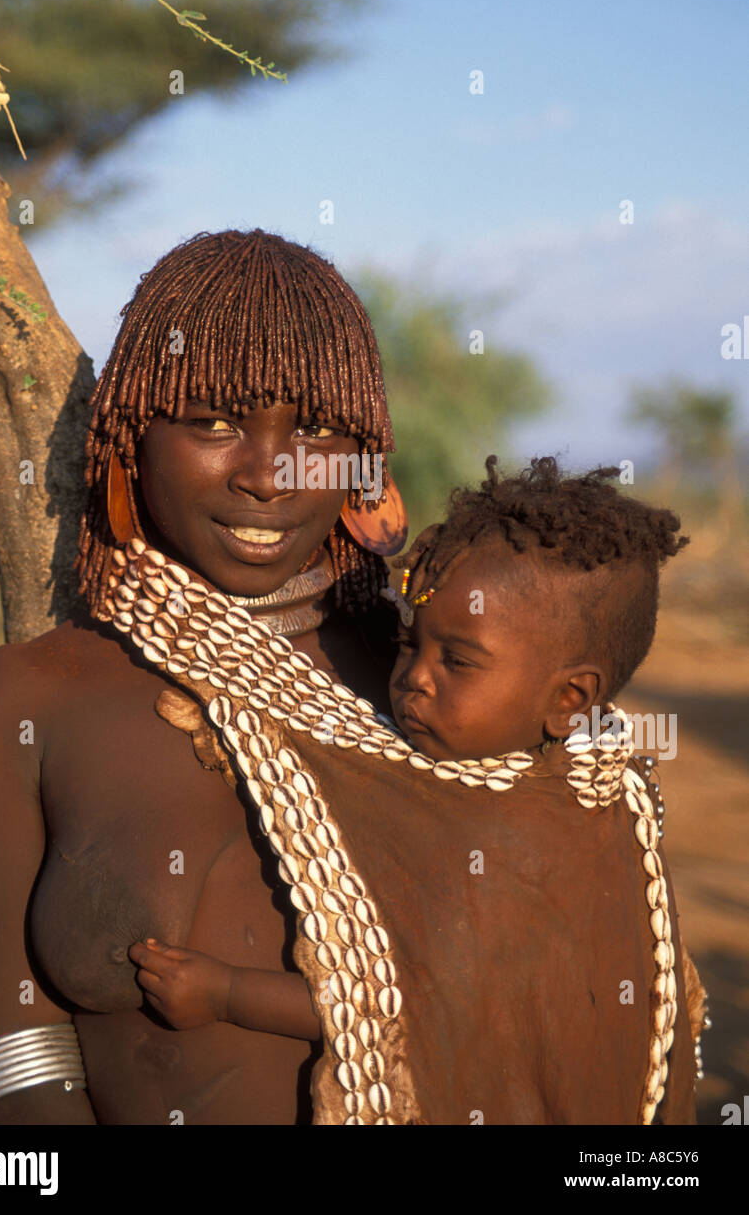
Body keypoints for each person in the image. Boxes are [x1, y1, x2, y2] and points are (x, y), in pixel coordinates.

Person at [0, 228, 408, 1126]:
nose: (268, 478)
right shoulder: (24, 701)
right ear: (130, 437)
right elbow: (9, 1042)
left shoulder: (424, 684)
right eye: (214, 423)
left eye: (312, 431)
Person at [123, 457, 705, 1124]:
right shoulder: (583, 782)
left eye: (456, 661)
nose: (414, 679)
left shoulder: (557, 821)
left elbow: (409, 999)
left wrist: (225, 992)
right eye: (408, 645)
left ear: (570, 699)